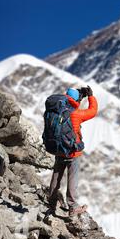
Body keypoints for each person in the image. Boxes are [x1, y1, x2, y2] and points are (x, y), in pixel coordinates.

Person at [48, 86, 98, 217]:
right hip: (72, 152)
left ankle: (51, 204)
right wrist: (91, 97)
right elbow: (92, 111)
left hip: (58, 149)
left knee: (56, 176)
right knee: (72, 179)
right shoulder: (76, 114)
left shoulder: (56, 110)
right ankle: (73, 207)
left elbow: (71, 105)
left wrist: (77, 98)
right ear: (76, 100)